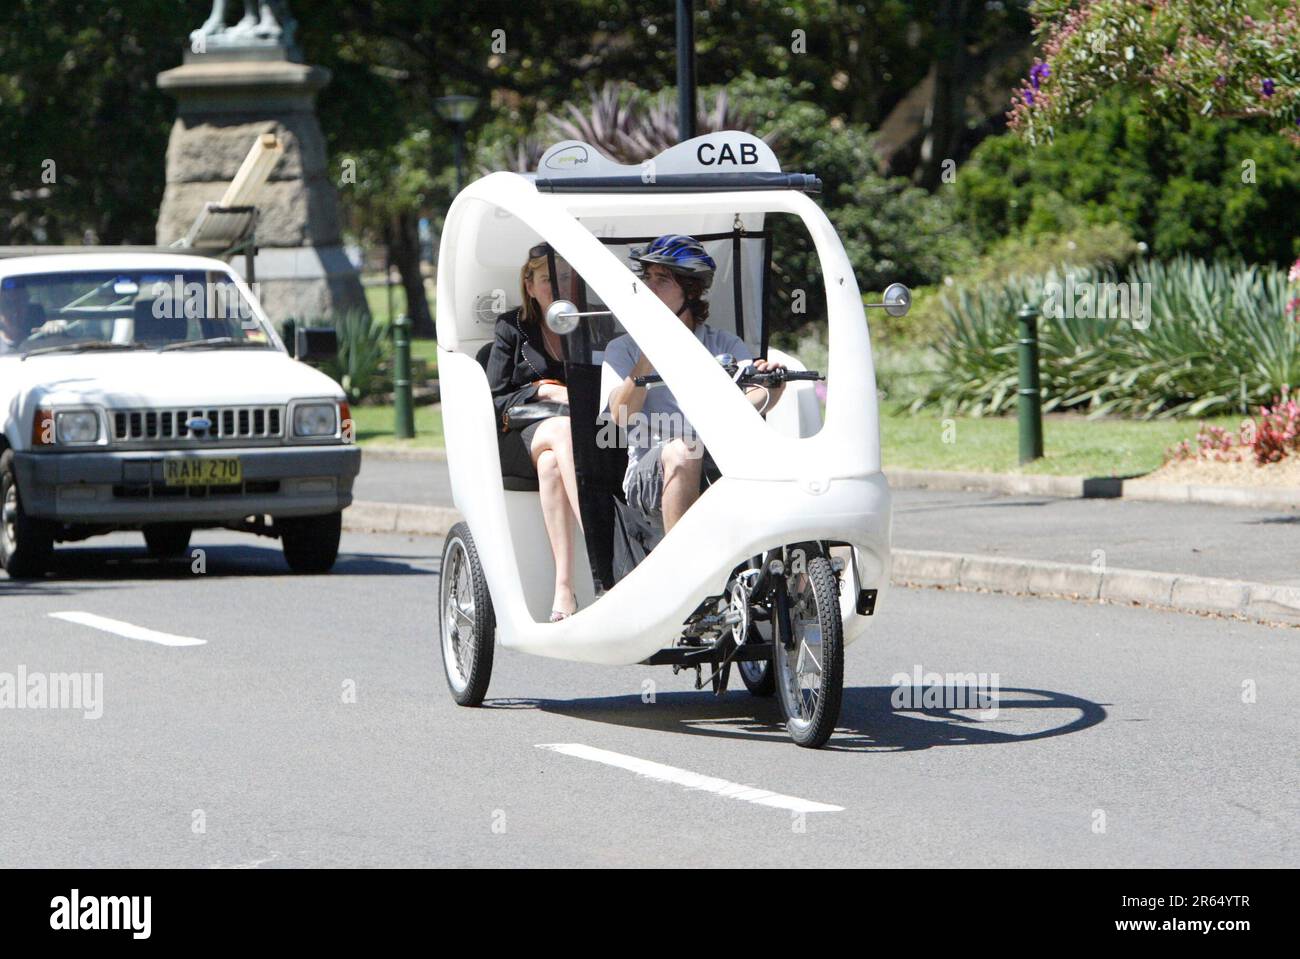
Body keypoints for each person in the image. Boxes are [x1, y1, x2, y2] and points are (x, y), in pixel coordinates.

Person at [601, 234, 786, 533]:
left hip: (719, 462)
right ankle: (682, 566)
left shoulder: (723, 342)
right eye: (647, 278)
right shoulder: (623, 348)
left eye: (661, 279)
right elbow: (621, 415)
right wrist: (650, 352)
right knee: (685, 449)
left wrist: (773, 388)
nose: (649, 287)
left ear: (691, 289)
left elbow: (752, 399)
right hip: (650, 475)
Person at [486, 244, 583, 621]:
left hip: (569, 445)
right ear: (529, 285)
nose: (556, 288)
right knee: (560, 430)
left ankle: (564, 589)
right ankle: (601, 552)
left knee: (552, 468)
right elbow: (496, 399)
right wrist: (543, 388)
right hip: (519, 434)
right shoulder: (511, 328)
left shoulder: (585, 326)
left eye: (563, 279)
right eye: (547, 279)